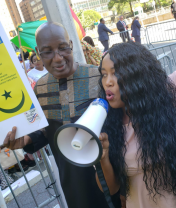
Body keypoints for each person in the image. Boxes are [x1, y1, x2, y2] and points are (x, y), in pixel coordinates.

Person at [3, 22, 121, 208]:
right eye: (47, 51)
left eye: (63, 48)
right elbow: (46, 130)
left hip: (109, 177)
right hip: (73, 184)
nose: (58, 58)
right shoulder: (40, 88)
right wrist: (25, 139)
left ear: (71, 45)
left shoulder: (98, 78)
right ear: (38, 52)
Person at [96, 42, 176, 208]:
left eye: (115, 73)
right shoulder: (105, 122)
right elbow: (111, 188)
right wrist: (102, 156)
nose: (108, 82)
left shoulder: (166, 94)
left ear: (137, 74)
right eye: (104, 75)